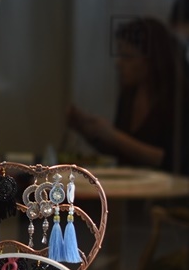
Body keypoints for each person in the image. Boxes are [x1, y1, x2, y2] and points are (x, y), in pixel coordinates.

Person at [67, 15, 189, 175]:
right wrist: (90, 132)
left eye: (127, 57)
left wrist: (112, 135)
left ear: (151, 61)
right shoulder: (129, 95)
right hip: (131, 185)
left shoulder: (178, 99)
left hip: (167, 187)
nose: (119, 63)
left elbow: (169, 160)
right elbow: (121, 152)